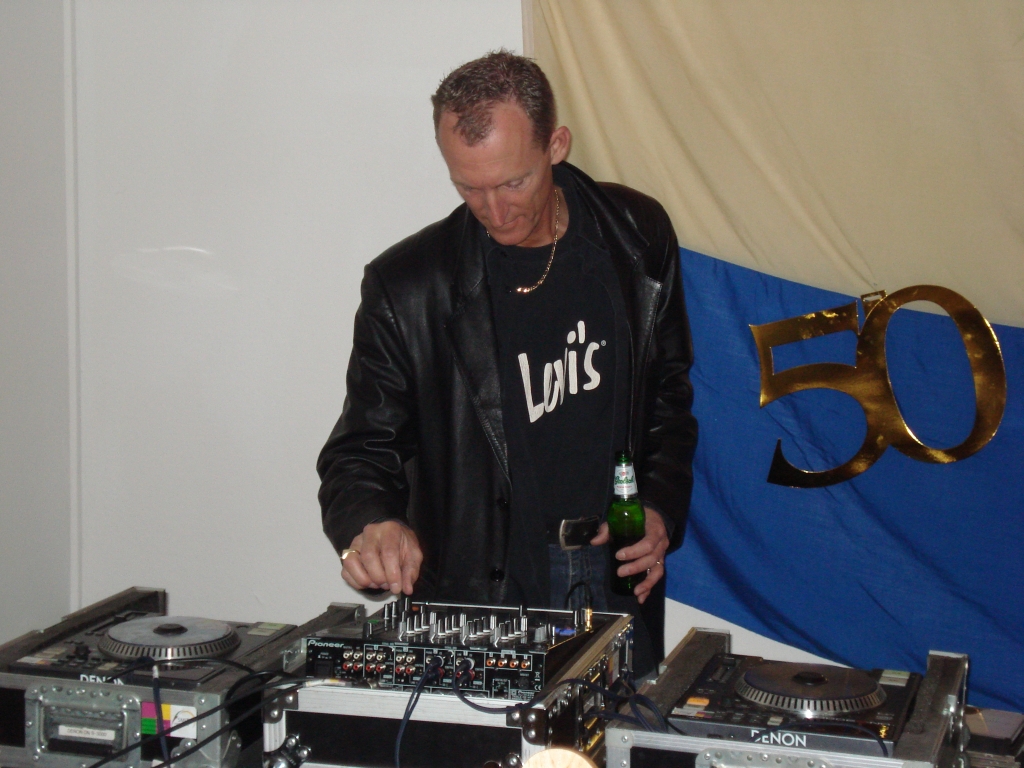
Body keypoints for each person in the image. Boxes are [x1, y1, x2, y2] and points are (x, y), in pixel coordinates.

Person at [317, 51, 697, 675]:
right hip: (484, 586)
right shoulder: (409, 286)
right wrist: (373, 521)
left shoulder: (637, 234)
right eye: (469, 188)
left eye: (513, 183)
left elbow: (668, 398)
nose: (494, 212)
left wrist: (657, 505)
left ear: (556, 146)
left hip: (616, 572)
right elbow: (359, 451)